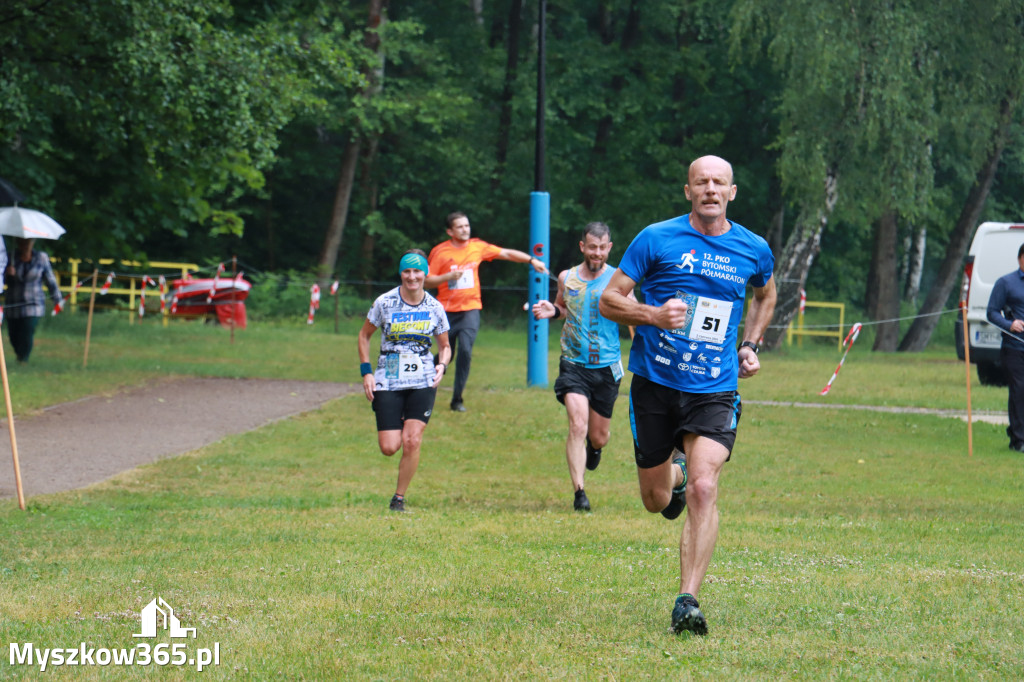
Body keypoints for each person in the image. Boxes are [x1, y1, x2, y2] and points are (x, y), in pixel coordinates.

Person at [599, 155, 777, 635]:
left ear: (732, 192)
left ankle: (688, 600)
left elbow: (765, 295)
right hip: (655, 387)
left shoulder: (752, 247)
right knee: (656, 499)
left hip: (714, 389)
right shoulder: (656, 238)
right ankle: (671, 479)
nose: (711, 190)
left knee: (705, 486)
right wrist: (654, 316)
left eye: (720, 183)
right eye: (702, 182)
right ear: (688, 191)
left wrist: (750, 344)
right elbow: (609, 299)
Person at [532, 221, 632, 512]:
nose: (597, 253)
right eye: (592, 247)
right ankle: (580, 492)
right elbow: (561, 307)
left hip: (606, 367)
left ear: (609, 248)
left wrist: (641, 347)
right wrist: (553, 311)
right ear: (583, 247)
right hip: (573, 364)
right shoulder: (567, 277)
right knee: (578, 424)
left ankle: (596, 447)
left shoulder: (619, 279)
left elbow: (634, 313)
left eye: (602, 248)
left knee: (598, 435)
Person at [357, 249, 452, 512]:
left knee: (412, 440)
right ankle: (398, 419)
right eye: (407, 271)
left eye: (417, 271)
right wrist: (366, 371)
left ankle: (398, 498)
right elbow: (364, 336)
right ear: (401, 273)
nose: (412, 277)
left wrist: (442, 365)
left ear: (425, 273)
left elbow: (445, 345)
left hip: (422, 377)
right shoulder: (384, 303)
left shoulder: (435, 308)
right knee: (389, 447)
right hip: (388, 376)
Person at [426, 211, 549, 412]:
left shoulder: (477, 247)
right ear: (450, 231)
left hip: (470, 309)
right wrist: (447, 276)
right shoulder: (440, 252)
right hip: (446, 311)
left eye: (467, 225)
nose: (465, 229)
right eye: (460, 227)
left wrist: (531, 260)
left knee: (465, 349)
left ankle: (457, 399)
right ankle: (426, 384)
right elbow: (427, 280)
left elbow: (506, 253)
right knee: (445, 353)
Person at [986, 243, 1024, 452]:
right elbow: (991, 313)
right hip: (1014, 347)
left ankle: (1017, 432)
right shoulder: (1006, 283)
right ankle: (1019, 439)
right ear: (1021, 258)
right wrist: (1010, 324)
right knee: (1019, 390)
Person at [3, 238, 63, 363]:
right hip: (14, 304)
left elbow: (50, 280)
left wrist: (57, 299)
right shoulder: (10, 258)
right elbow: (1, 281)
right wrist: (7, 274)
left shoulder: (41, 258)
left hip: (33, 305)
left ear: (32, 243)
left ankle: (23, 359)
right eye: (21, 242)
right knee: (13, 335)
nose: (24, 245)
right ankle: (19, 355)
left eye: (27, 242)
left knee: (27, 330)